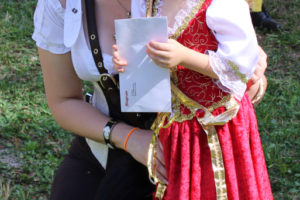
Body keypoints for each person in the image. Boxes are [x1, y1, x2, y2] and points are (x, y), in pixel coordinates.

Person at [32, 0, 269, 199]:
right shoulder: (61, 5)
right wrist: (130, 139)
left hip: (187, 147)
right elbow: (63, 100)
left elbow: (242, 68)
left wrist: (253, 85)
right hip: (106, 142)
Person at [114, 0, 272, 199]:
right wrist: (129, 60)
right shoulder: (147, 3)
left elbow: (240, 68)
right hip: (174, 129)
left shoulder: (222, 4)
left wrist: (186, 57)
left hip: (218, 128)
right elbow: (143, 51)